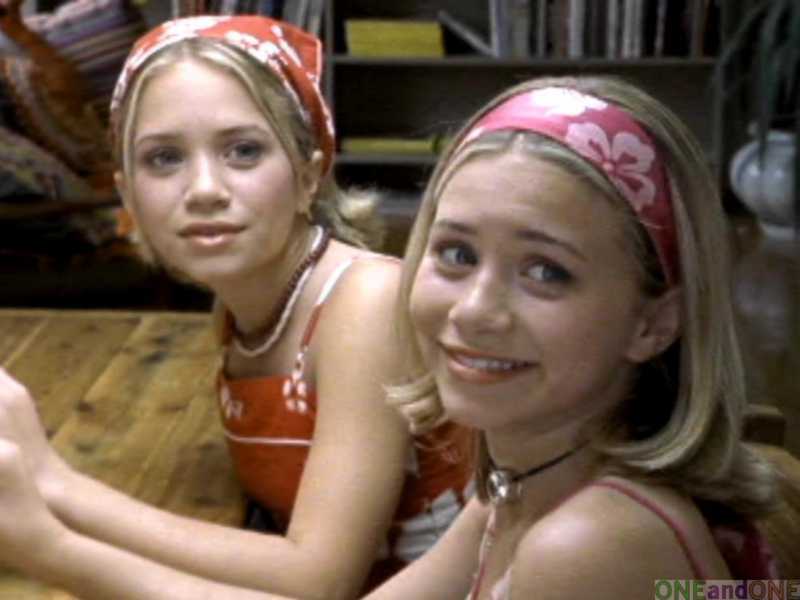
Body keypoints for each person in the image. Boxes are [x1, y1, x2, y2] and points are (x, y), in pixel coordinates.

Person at [0, 74, 779, 599]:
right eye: (456, 254)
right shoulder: (520, 479)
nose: (475, 310)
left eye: (547, 272)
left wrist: (51, 542)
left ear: (653, 322)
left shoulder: (586, 543)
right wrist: (47, 520)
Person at [0, 15, 471, 600]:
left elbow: (318, 578)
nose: (204, 189)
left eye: (243, 151)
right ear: (128, 195)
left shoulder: (362, 304)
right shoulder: (240, 302)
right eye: (164, 158)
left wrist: (54, 487)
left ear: (309, 176)